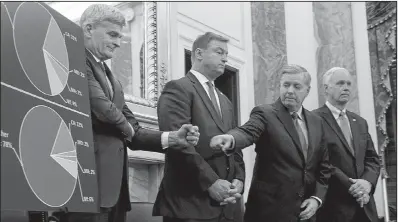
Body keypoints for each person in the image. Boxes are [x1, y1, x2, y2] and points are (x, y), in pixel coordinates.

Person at [61, 4, 200, 222]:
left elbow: (132, 128)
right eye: (112, 34)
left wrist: (172, 138)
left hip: (115, 190)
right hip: (85, 183)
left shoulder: (113, 79)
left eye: (120, 36)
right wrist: (127, 129)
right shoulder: (74, 57)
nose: (118, 43)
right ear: (88, 29)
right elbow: (103, 109)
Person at [210, 64, 331, 222]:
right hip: (268, 212)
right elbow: (248, 131)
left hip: (305, 214)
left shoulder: (317, 122)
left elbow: (324, 166)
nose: (289, 91)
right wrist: (231, 139)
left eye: (296, 86)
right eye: (286, 85)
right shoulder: (265, 113)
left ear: (307, 90)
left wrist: (316, 199)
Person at [153, 32, 245, 222]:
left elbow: (234, 142)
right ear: (199, 54)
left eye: (226, 54)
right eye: (219, 52)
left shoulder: (225, 100)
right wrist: (211, 182)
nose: (225, 58)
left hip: (226, 207)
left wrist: (239, 178)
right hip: (189, 203)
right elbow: (179, 144)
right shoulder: (178, 88)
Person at [313, 67, 380, 222]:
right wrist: (353, 187)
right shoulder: (314, 119)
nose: (346, 88)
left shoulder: (360, 122)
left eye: (349, 84)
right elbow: (321, 161)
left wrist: (367, 183)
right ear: (326, 88)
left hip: (365, 206)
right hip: (334, 208)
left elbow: (372, 159)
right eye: (340, 83)